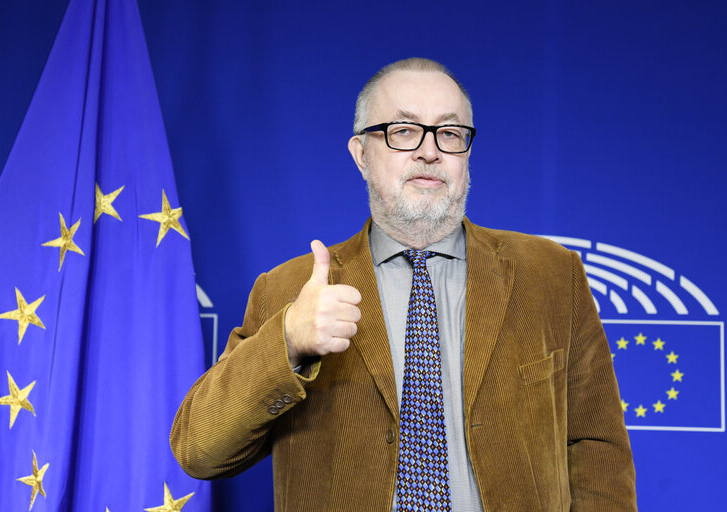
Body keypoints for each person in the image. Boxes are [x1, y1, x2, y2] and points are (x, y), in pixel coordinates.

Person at [170, 58, 637, 511]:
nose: (429, 151)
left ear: (466, 154)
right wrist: (288, 341)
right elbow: (199, 449)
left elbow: (597, 449)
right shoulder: (289, 289)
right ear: (361, 154)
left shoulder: (552, 275)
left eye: (450, 133)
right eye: (404, 131)